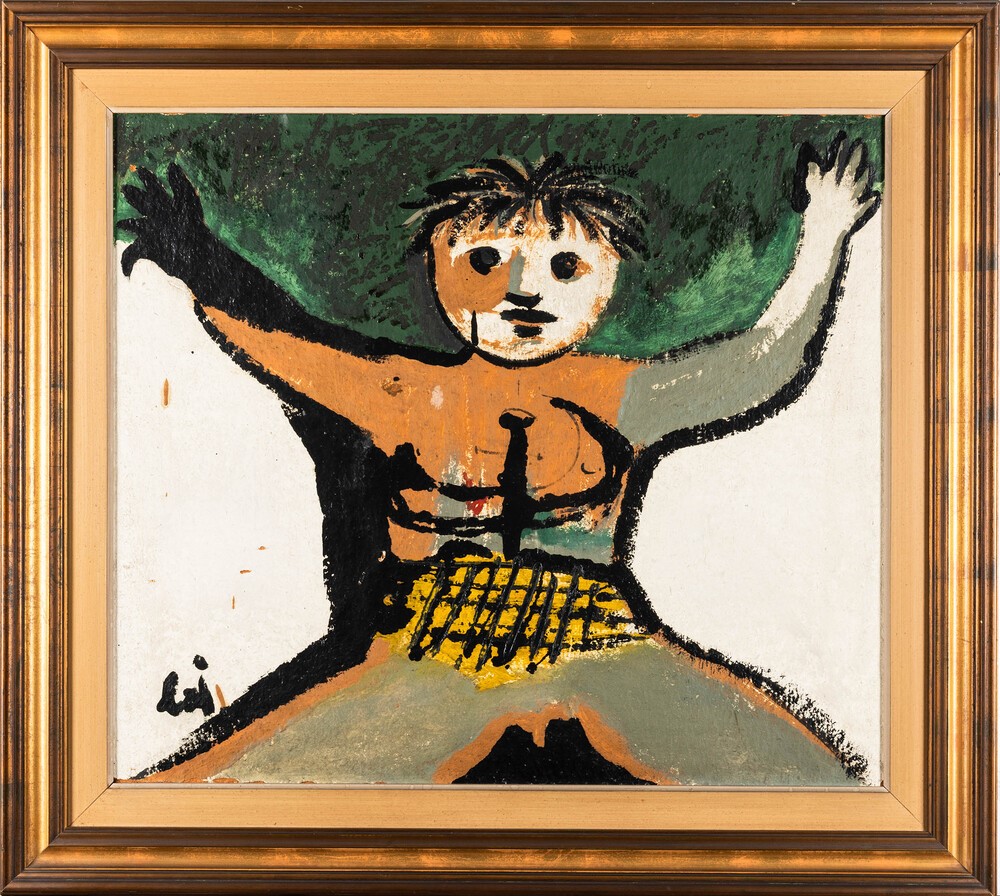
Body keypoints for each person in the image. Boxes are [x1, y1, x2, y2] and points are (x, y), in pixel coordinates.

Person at [121, 134, 879, 785]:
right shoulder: (402, 392)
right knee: (213, 791)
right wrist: (196, 259)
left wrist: (826, 233)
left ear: (608, 278)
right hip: (431, 655)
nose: (522, 292)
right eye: (484, 259)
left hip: (603, 644)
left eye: (564, 268)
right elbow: (282, 345)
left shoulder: (619, 394)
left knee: (824, 786)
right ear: (436, 266)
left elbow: (758, 365)